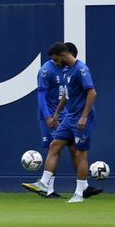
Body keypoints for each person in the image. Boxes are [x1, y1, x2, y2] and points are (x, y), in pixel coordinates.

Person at [23, 43, 101, 203]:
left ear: (64, 55)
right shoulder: (66, 71)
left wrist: (84, 117)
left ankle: (79, 193)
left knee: (80, 153)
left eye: (56, 59)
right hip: (69, 117)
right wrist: (57, 114)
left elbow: (92, 92)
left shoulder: (81, 70)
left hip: (81, 117)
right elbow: (66, 95)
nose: (55, 63)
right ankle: (44, 184)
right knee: (55, 145)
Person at [24, 41, 78, 195]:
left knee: (74, 148)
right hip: (49, 116)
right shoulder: (46, 71)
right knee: (52, 148)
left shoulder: (71, 69)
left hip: (65, 115)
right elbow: (40, 95)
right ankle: (49, 189)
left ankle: (81, 187)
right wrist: (48, 117)